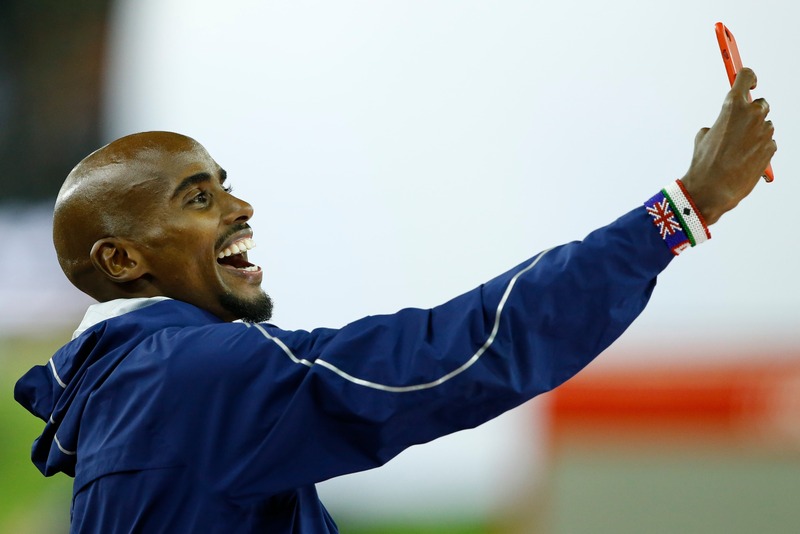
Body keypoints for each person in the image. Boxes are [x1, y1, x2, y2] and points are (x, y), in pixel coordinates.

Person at [15, 67, 775, 533]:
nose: (241, 207)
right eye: (199, 197)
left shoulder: (121, 389)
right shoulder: (193, 376)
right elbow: (462, 351)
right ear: (122, 260)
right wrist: (683, 210)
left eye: (227, 183)